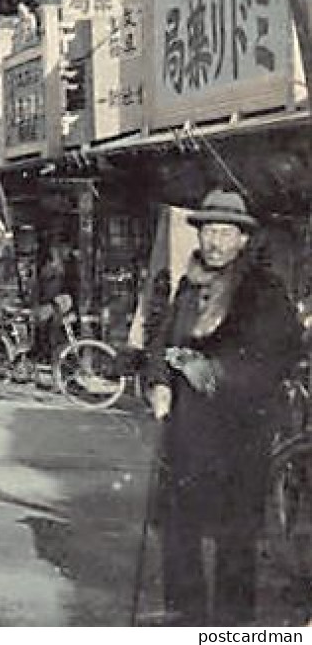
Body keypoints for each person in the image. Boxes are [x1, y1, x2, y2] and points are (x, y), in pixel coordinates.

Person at [143, 189, 300, 626]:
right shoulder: (189, 283)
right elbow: (163, 341)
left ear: (242, 240)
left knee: (235, 541)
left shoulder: (261, 290)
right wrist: (158, 381)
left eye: (224, 233)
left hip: (238, 434)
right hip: (185, 432)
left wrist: (211, 370)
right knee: (179, 535)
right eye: (208, 231)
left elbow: (275, 354)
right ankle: (185, 620)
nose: (214, 242)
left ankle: (231, 628)